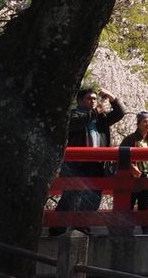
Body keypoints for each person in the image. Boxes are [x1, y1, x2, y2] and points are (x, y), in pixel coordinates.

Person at [53, 87, 125, 225]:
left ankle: (82, 226)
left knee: (94, 197)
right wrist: (95, 112)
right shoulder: (73, 115)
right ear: (79, 101)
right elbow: (76, 123)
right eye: (88, 99)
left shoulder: (101, 118)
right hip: (76, 165)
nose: (92, 101)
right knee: (70, 196)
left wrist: (111, 97)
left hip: (96, 165)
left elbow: (120, 113)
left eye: (94, 98)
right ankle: (57, 227)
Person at [119, 110, 148, 232]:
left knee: (144, 205)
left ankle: (145, 231)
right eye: (144, 121)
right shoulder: (130, 139)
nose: (147, 124)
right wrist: (131, 167)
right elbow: (120, 156)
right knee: (130, 204)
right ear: (138, 123)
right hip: (134, 177)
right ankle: (126, 230)